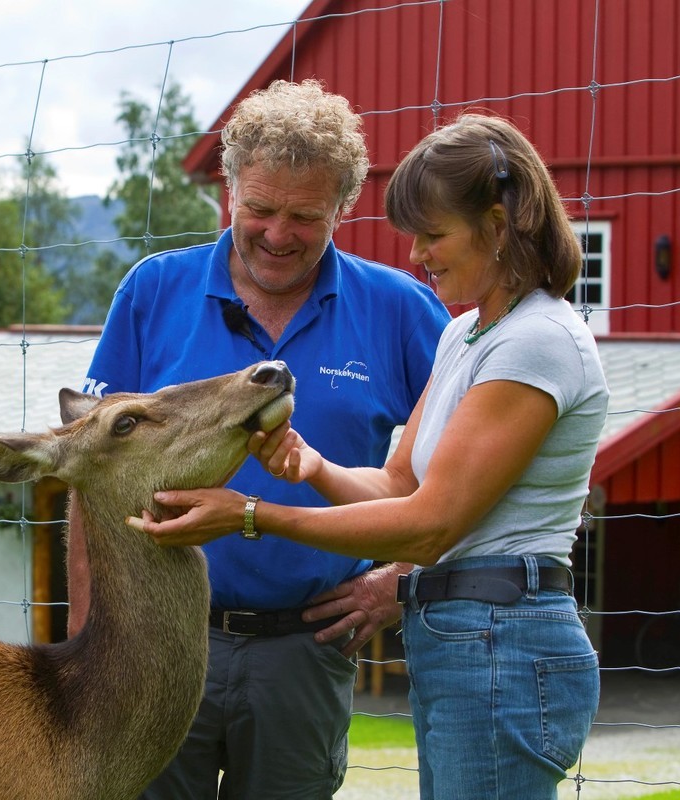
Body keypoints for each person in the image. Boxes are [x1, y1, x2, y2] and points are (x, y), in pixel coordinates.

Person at [132, 113, 609, 800]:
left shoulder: (535, 340)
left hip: (504, 642)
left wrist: (252, 515)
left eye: (435, 234)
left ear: (499, 228)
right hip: (463, 640)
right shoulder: (468, 336)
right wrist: (312, 468)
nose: (417, 254)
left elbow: (430, 523)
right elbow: (397, 482)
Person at [67, 79, 451, 798]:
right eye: (261, 209)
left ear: (345, 206)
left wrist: (399, 583)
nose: (278, 235)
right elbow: (92, 478)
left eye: (305, 216)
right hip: (156, 646)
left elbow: (472, 473)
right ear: (230, 188)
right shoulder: (153, 293)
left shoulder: (400, 310)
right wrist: (93, 648)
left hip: (302, 650)